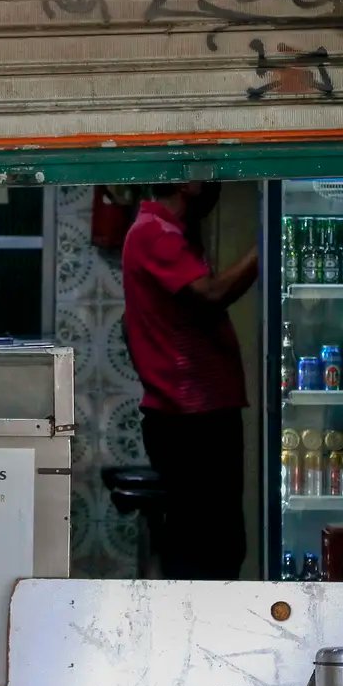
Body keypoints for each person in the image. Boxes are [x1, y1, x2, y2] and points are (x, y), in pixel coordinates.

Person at [121, 182, 258, 580]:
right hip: (191, 418)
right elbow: (210, 293)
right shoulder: (156, 233)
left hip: (196, 413)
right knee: (208, 547)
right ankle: (194, 619)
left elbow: (131, 327)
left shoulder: (166, 232)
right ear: (187, 182)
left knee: (213, 541)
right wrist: (266, 246)